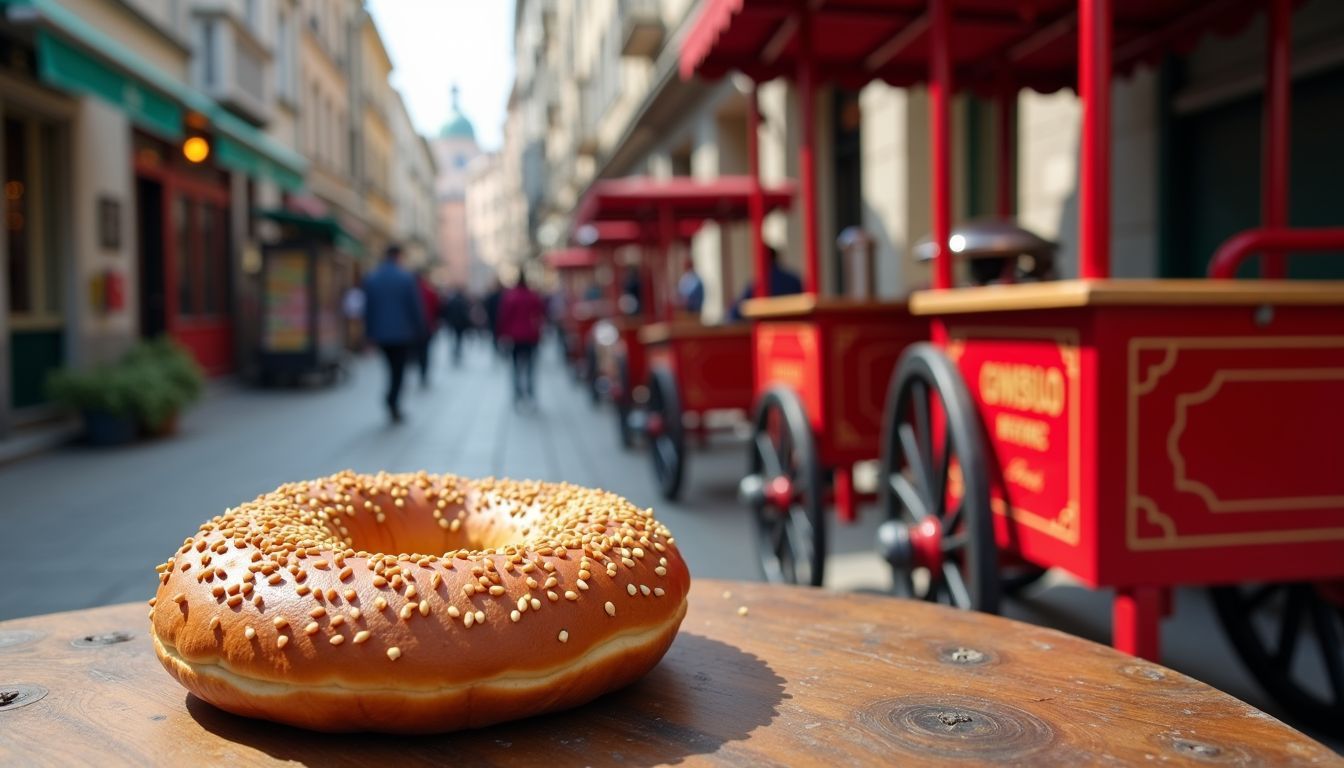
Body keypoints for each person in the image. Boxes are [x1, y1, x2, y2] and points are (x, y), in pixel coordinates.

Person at [362, 244, 426, 423]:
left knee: (390, 368)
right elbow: (414, 307)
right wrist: (420, 329)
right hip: (402, 333)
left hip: (381, 334)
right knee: (399, 370)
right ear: (399, 256)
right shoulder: (406, 278)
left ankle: (391, 398)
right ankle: (392, 400)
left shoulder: (373, 278)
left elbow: (368, 310)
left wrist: (368, 334)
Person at [497, 272, 547, 406]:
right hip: (531, 335)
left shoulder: (510, 297)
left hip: (515, 336)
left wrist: (503, 334)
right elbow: (541, 314)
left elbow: (504, 316)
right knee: (530, 365)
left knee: (515, 366)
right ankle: (530, 392)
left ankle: (517, 392)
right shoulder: (533, 296)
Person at [729, 246, 804, 320]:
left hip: (768, 329)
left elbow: (734, 313)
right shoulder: (793, 280)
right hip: (795, 327)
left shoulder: (759, 283)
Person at [413, 271, 440, 388]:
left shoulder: (411, 291)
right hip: (427, 327)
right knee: (424, 352)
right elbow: (437, 308)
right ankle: (423, 373)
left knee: (415, 352)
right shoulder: (430, 291)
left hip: (413, 328)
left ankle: (419, 370)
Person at [440, 286, 472, 366]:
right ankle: (457, 351)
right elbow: (465, 313)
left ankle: (455, 351)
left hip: (454, 323)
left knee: (455, 338)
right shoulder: (463, 301)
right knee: (459, 338)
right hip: (460, 323)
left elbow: (447, 311)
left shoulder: (452, 300)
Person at [482, 278, 505, 356]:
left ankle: (497, 349)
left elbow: (487, 308)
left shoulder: (494, 296)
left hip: (495, 319)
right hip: (499, 320)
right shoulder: (504, 296)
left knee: (496, 336)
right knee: (499, 336)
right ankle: (499, 349)